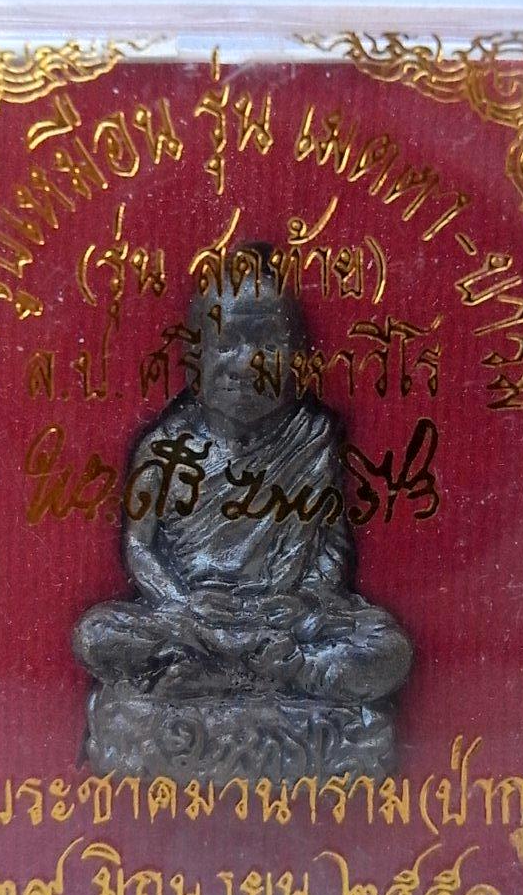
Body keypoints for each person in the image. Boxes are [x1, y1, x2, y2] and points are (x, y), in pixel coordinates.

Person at [74, 243, 412, 710]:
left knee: (388, 649)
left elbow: (330, 547)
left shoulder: (312, 438)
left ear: (296, 356)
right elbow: (140, 546)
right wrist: (180, 603)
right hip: (193, 618)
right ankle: (262, 673)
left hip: (282, 621)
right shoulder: (166, 447)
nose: (246, 362)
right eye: (227, 343)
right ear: (195, 357)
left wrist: (306, 599)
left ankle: (232, 674)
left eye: (267, 344)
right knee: (96, 634)